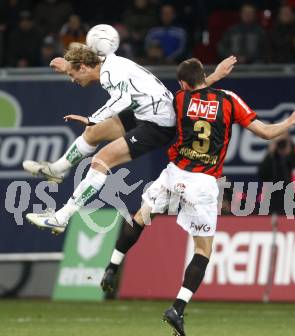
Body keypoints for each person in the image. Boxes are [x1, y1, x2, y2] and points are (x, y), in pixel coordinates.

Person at [100, 59, 295, 336]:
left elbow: (191, 94)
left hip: (173, 173)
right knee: (202, 250)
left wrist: (212, 76)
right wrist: (291, 120)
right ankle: (178, 307)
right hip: (203, 183)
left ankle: (112, 267)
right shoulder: (229, 101)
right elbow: (265, 133)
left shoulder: (179, 100)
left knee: (141, 216)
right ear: (203, 76)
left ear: (183, 84)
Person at [24, 44, 237, 233]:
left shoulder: (108, 75)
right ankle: (58, 169)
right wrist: (67, 63)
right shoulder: (106, 62)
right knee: (93, 133)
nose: (72, 79)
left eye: (72, 74)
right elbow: (90, 54)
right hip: (143, 112)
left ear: (83, 67)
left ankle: (61, 217)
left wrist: (91, 118)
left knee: (101, 160)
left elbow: (122, 99)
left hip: (157, 126)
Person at [258, 131, 295, 214]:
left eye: (283, 139)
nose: (281, 143)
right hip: (274, 200)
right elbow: (263, 175)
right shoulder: (272, 156)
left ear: (289, 138)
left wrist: (291, 153)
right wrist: (270, 154)